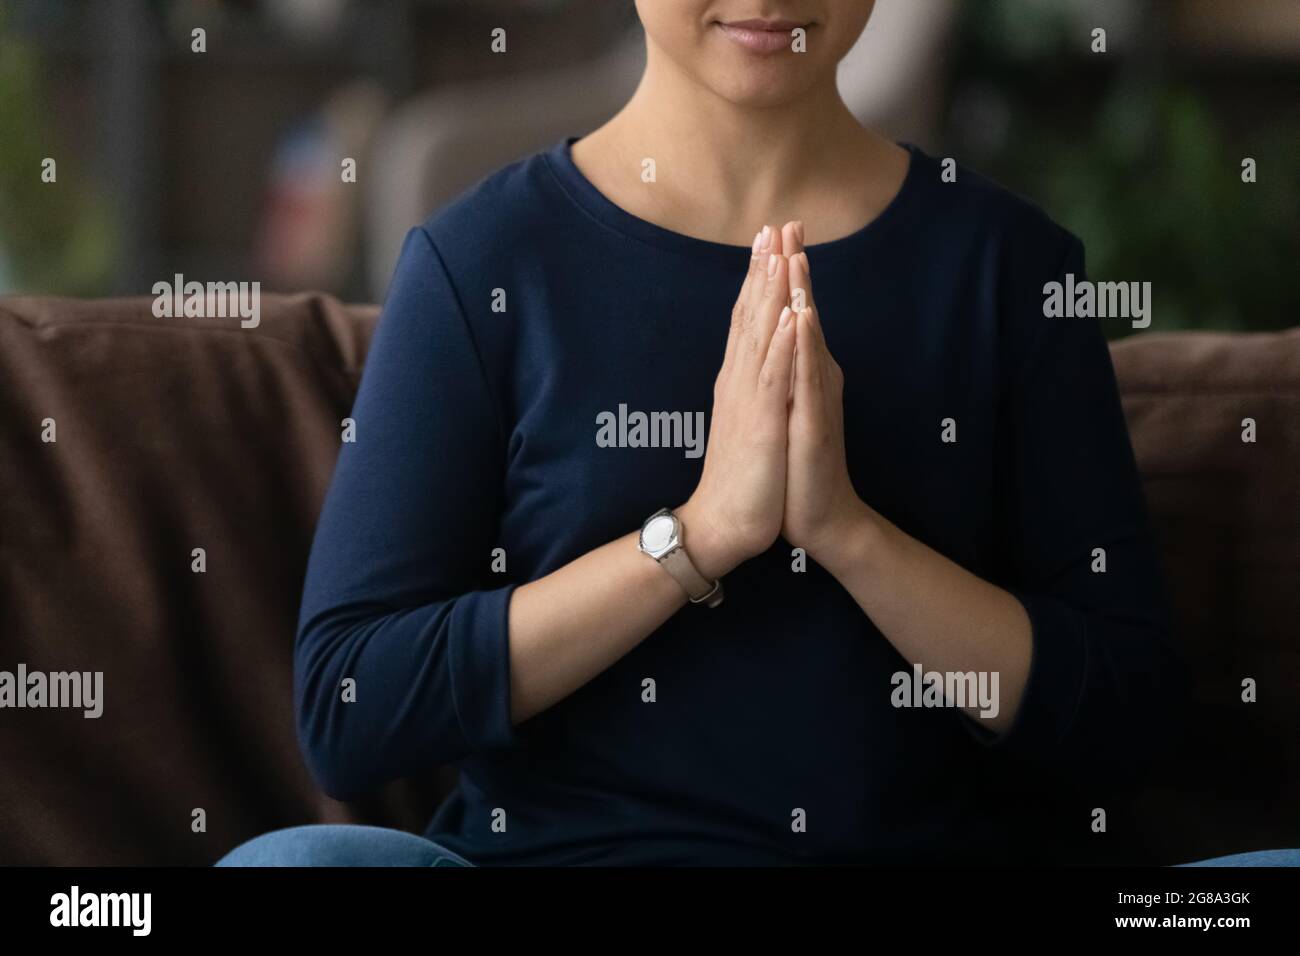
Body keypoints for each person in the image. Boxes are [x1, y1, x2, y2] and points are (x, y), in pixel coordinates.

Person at [217, 1, 1291, 867]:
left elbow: (1123, 718)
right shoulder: (486, 261)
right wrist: (695, 535)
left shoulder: (1009, 268)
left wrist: (847, 530)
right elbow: (349, 701)